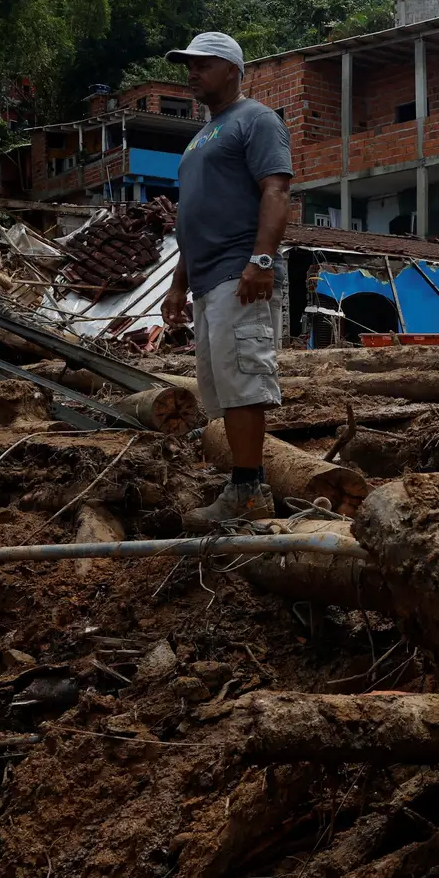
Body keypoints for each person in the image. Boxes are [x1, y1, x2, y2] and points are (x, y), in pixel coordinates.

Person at [159, 31, 293, 530]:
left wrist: (261, 260)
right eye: (187, 65)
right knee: (222, 389)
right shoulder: (199, 137)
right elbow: (191, 219)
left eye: (202, 64)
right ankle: (243, 486)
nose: (191, 72)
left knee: (245, 381)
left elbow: (276, 190)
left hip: (241, 272)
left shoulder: (256, 120)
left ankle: (248, 493)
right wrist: (176, 284)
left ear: (233, 69)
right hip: (207, 278)